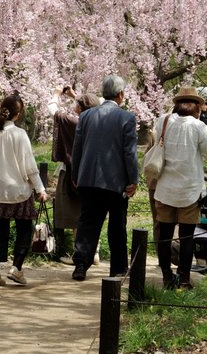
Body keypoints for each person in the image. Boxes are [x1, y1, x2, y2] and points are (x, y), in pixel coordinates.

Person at [0, 93, 49, 287]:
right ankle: (16, 268)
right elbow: (30, 166)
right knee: (25, 229)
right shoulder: (19, 134)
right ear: (18, 114)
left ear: (0, 110)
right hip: (17, 192)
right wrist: (40, 188)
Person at [151, 87, 207, 289]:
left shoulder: (164, 120)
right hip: (190, 191)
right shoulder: (198, 127)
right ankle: (184, 278)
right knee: (187, 236)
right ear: (197, 108)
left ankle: (166, 276)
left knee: (164, 234)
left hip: (165, 188)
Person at [70, 74, 138, 281]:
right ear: (120, 94)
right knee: (117, 224)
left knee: (88, 222)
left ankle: (81, 265)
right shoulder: (127, 118)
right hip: (115, 182)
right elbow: (129, 153)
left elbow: (77, 148)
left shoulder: (87, 116)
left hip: (88, 178)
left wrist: (76, 175)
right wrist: (133, 180)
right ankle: (118, 269)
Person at [49, 86, 100, 264]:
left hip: (74, 172)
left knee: (78, 214)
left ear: (81, 107)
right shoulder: (98, 121)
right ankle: (93, 252)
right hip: (94, 172)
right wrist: (73, 96)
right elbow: (93, 106)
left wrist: (57, 94)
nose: (73, 106)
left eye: (77, 103)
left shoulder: (73, 121)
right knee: (90, 212)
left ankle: (79, 254)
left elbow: (53, 111)